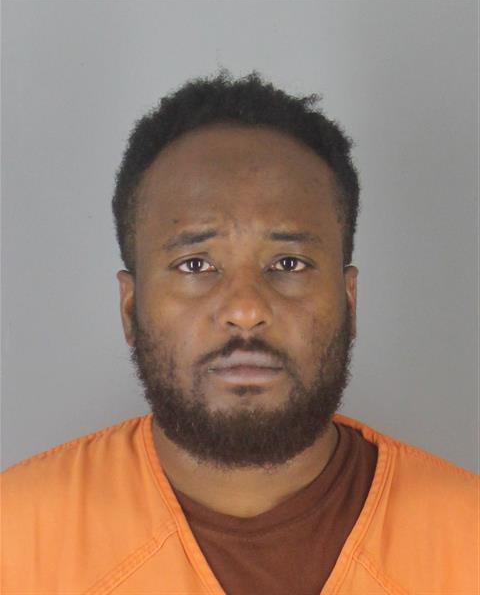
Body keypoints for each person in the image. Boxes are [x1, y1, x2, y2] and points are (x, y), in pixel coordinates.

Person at [2, 70, 477, 594]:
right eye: (196, 265)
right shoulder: (14, 542)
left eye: (289, 263)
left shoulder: (468, 540)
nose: (246, 310)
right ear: (131, 308)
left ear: (349, 300)